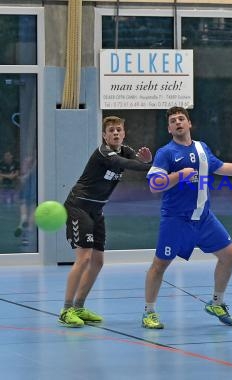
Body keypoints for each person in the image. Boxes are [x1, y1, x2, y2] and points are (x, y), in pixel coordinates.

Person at [142, 106, 232, 329]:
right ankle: (149, 311)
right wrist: (179, 176)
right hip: (176, 219)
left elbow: (221, 167)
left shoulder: (202, 148)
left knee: (230, 255)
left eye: (181, 119)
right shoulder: (165, 153)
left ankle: (217, 302)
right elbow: (154, 186)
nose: (178, 122)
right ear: (169, 129)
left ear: (189, 124)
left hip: (204, 218)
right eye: (173, 121)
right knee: (160, 265)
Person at [59, 116, 153, 327]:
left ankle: (79, 307)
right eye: (111, 130)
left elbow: (135, 161)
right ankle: (66, 310)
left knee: (98, 261)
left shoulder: (125, 149)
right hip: (79, 207)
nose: (116, 133)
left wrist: (147, 161)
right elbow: (125, 164)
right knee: (83, 258)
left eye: (119, 129)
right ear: (104, 135)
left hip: (97, 210)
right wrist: (149, 166)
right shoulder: (104, 152)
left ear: (124, 133)